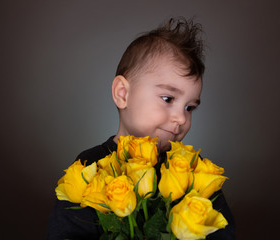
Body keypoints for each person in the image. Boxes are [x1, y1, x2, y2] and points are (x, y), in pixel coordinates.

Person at [47, 17, 235, 239]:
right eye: (167, 98)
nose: (181, 118)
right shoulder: (89, 167)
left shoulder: (192, 173)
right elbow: (66, 233)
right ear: (122, 94)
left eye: (190, 107)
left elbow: (222, 232)